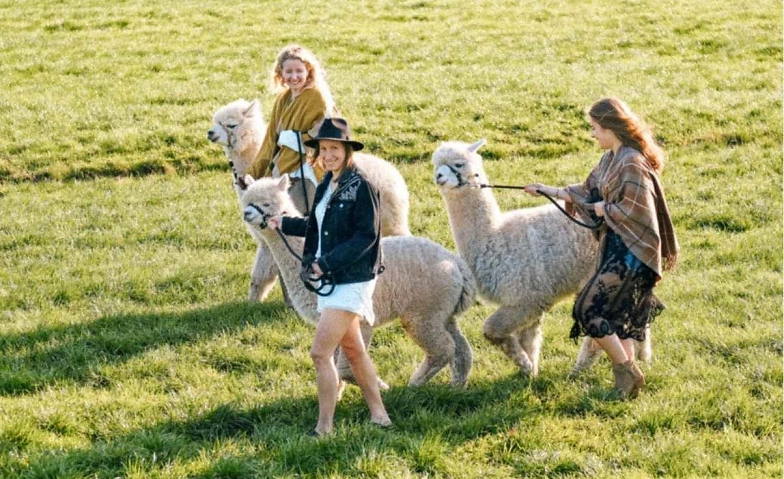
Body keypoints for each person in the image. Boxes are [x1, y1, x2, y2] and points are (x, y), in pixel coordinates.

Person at [524, 98, 679, 398]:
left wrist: (601, 209)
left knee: (588, 310)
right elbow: (585, 191)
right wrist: (546, 190)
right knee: (617, 320)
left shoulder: (632, 162)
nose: (593, 134)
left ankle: (628, 371)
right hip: (615, 247)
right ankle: (627, 384)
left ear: (611, 128)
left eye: (595, 128)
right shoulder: (611, 158)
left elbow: (637, 211)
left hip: (634, 253)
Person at [267, 117, 391, 435]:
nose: (328, 154)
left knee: (320, 353)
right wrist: (285, 223)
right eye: (323, 148)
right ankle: (380, 415)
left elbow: (366, 238)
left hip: (351, 278)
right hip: (332, 277)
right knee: (353, 350)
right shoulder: (327, 182)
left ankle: (324, 427)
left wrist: (326, 264)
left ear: (347, 149)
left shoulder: (362, 186)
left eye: (334, 148)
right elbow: (317, 224)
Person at [246, 44, 336, 214]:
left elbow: (328, 132)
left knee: (299, 216)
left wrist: (298, 141)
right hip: (284, 164)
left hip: (308, 166)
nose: (294, 77)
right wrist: (255, 171)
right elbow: (271, 139)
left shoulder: (316, 96)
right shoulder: (283, 99)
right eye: (288, 72)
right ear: (281, 73)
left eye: (299, 71)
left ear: (308, 71)